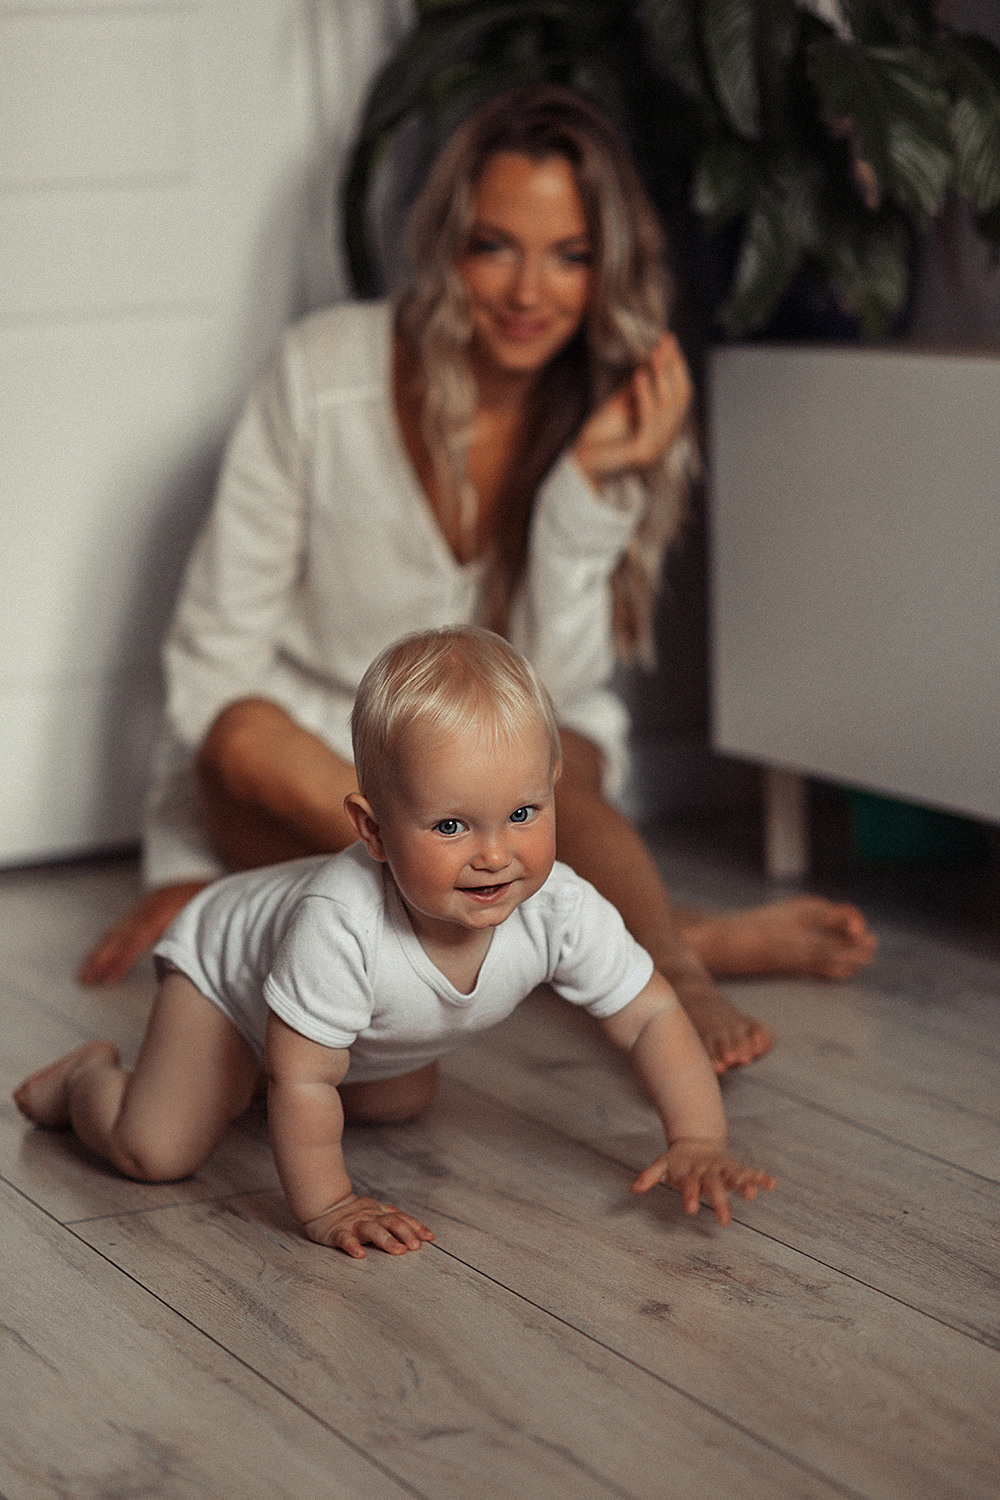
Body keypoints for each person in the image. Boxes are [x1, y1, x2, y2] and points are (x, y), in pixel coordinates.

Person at [79, 84, 875, 1073]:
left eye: (570, 254)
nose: (527, 290)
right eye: (496, 244)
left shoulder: (610, 420)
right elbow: (211, 659)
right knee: (241, 732)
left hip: (501, 805)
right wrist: (188, 870)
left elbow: (553, 694)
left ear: (607, 269)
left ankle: (676, 969)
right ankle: (619, 930)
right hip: (318, 791)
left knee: (564, 749)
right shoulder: (321, 372)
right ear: (448, 244)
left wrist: (587, 496)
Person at [18, 629, 775, 1257]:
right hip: (224, 976)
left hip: (343, 1025)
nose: (494, 854)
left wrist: (698, 1137)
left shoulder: (563, 906)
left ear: (551, 788)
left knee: (399, 1099)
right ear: (373, 830)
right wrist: (330, 1205)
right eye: (451, 825)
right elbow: (309, 1082)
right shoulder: (339, 919)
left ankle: (241, 1077)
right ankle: (86, 1082)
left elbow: (650, 1018)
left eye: (521, 812)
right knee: (161, 1149)